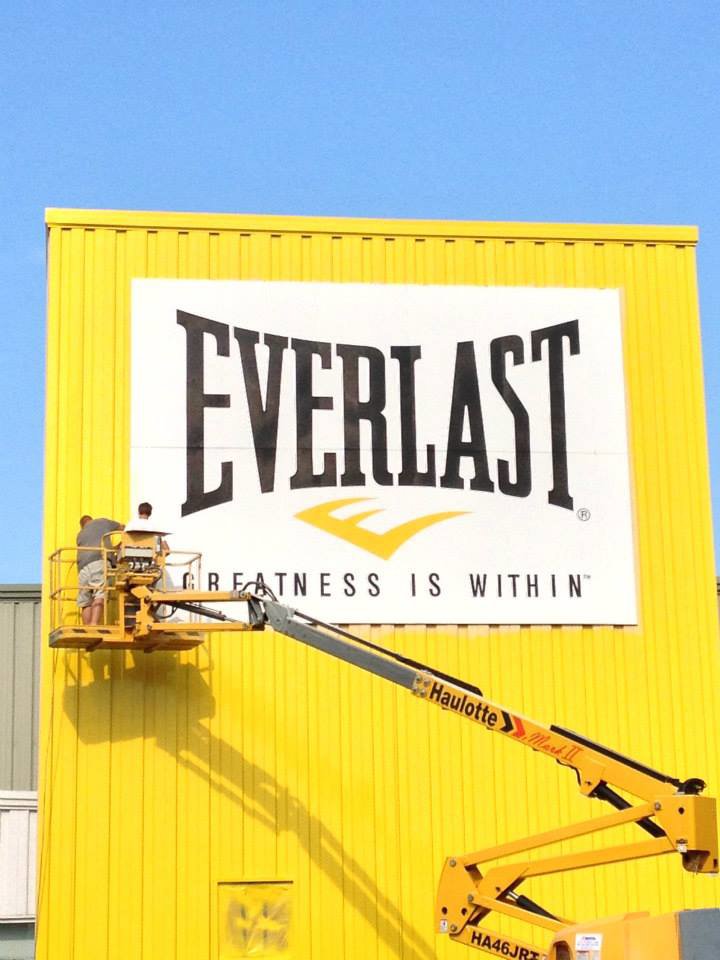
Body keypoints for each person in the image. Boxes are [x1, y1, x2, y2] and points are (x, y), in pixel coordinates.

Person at [76, 515, 124, 625]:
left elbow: (99, 548)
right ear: (91, 520)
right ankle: (94, 625)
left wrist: (115, 548)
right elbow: (123, 528)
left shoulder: (80, 535)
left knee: (86, 601)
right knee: (100, 593)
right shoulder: (101, 522)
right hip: (99, 561)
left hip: (82, 568)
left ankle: (87, 628)